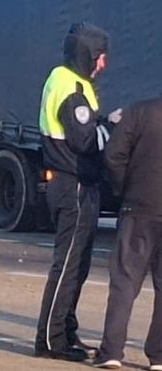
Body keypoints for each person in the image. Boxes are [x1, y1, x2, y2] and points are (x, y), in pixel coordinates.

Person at [34, 22, 121, 361]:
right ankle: (52, 341)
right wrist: (110, 126)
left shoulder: (69, 80)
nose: (104, 64)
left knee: (78, 265)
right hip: (73, 184)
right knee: (68, 264)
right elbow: (84, 141)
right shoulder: (72, 88)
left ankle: (66, 331)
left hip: (77, 183)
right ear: (88, 56)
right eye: (101, 57)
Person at [92, 97, 162, 370]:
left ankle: (111, 351)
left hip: (139, 207)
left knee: (124, 282)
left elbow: (113, 154)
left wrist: (125, 188)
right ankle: (158, 355)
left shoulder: (140, 112)